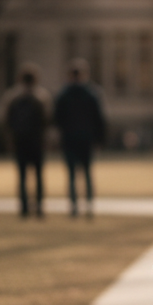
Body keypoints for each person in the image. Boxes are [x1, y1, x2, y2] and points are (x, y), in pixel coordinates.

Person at [53, 58, 107, 217]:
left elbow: (57, 119)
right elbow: (99, 119)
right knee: (87, 172)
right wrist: (99, 139)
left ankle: (74, 206)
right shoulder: (92, 94)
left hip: (69, 138)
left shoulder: (63, 94)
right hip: (86, 138)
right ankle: (89, 204)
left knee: (71, 174)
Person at [4, 64, 51, 218]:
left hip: (20, 141)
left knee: (22, 177)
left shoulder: (13, 97)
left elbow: (7, 122)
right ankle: (39, 207)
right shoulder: (41, 97)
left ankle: (24, 208)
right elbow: (46, 121)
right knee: (38, 176)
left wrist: (10, 140)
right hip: (36, 142)